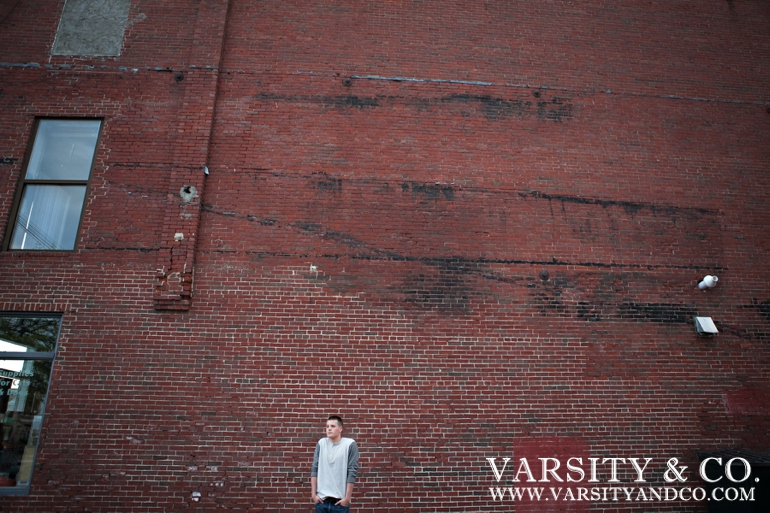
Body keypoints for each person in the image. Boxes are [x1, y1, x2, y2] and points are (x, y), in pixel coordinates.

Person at [310, 415, 359, 512]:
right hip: (322, 501)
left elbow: (352, 471)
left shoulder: (349, 444)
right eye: (327, 426)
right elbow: (315, 468)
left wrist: (347, 498)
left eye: (332, 426)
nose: (329, 429)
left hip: (340, 503)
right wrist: (313, 495)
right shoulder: (321, 443)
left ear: (340, 428)